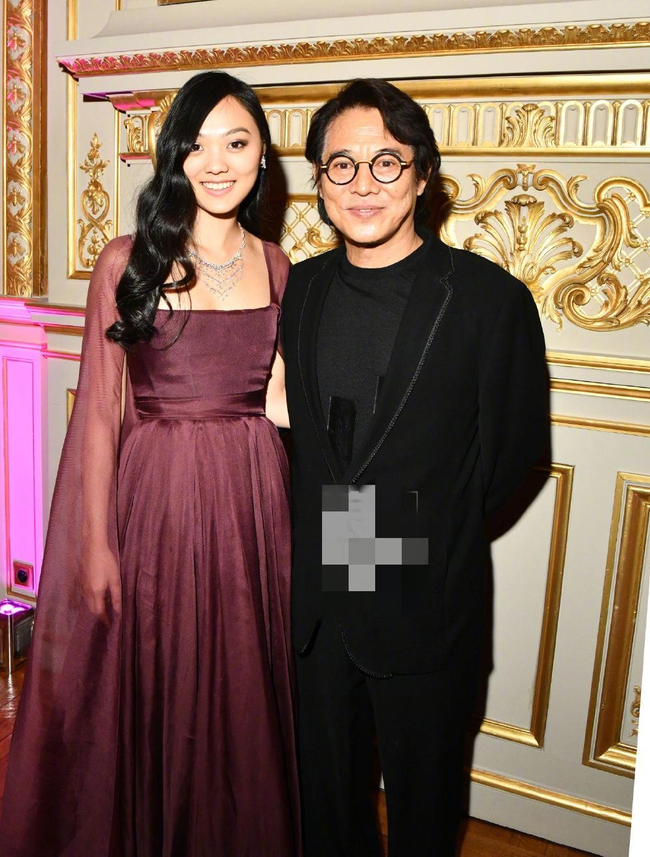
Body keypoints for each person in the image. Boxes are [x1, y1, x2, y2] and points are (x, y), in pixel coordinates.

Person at [0, 71, 300, 857]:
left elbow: (280, 401)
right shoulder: (127, 260)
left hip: (252, 502)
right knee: (159, 677)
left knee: (241, 686)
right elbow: (100, 410)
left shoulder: (278, 266)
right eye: (196, 145)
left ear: (263, 155)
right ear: (173, 157)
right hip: (157, 498)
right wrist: (96, 542)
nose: (217, 162)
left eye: (236, 142)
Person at [281, 79, 549, 856]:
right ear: (319, 181)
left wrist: (411, 533)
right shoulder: (299, 288)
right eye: (342, 165)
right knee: (327, 811)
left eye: (386, 162)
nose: (362, 184)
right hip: (319, 604)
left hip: (425, 603)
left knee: (425, 818)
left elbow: (512, 458)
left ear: (423, 174)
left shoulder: (489, 300)